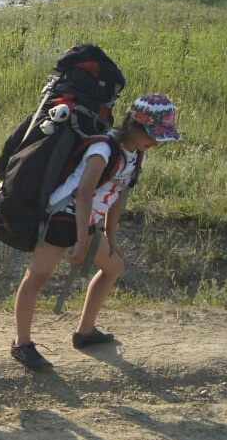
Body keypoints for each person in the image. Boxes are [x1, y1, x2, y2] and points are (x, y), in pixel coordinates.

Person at [11, 94, 182, 371]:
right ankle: (21, 344)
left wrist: (110, 237)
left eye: (160, 137)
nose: (156, 142)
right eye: (152, 134)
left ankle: (85, 332)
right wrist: (82, 242)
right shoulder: (103, 149)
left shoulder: (136, 156)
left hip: (86, 221)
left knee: (114, 266)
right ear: (133, 125)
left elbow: (117, 196)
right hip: (63, 216)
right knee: (37, 277)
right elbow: (84, 194)